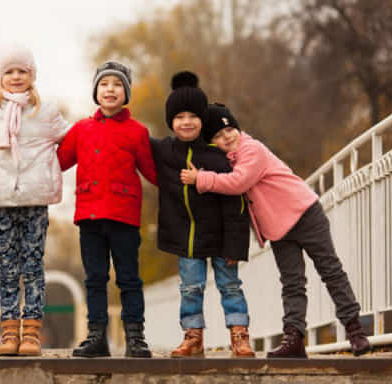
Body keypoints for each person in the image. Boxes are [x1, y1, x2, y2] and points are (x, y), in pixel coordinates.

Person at [190, 102, 372, 357]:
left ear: (237, 128)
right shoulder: (227, 160)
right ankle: (294, 339)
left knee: (330, 270)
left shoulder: (252, 150)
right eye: (218, 136)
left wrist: (202, 179)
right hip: (278, 229)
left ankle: (355, 331)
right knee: (292, 283)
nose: (226, 137)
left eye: (229, 130)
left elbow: (238, 182)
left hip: (305, 214)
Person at [0, 45, 70, 356]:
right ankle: (9, 331)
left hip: (36, 198)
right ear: (0, 77)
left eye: (22, 71)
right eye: (9, 71)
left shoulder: (46, 111)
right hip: (0, 199)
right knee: (7, 267)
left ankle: (32, 332)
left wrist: (54, 170)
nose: (16, 76)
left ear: (32, 75)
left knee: (33, 265)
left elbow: (71, 141)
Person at [57, 60, 157, 358]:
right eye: (104, 84)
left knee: (129, 278)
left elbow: (153, 171)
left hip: (124, 215)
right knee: (94, 278)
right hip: (89, 216)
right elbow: (57, 162)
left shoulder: (137, 132)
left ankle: (135, 337)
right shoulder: (81, 129)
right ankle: (96, 336)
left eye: (116, 85)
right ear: (96, 92)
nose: (110, 90)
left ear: (126, 93)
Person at [151, 72, 254, 358]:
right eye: (179, 116)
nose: (186, 122)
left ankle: (240, 335)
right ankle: (193, 337)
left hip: (222, 238)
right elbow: (133, 143)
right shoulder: (164, 151)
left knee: (230, 286)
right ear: (171, 121)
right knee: (190, 288)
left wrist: (236, 245)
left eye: (193, 116)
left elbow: (237, 205)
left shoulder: (217, 156)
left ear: (202, 119)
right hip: (187, 238)